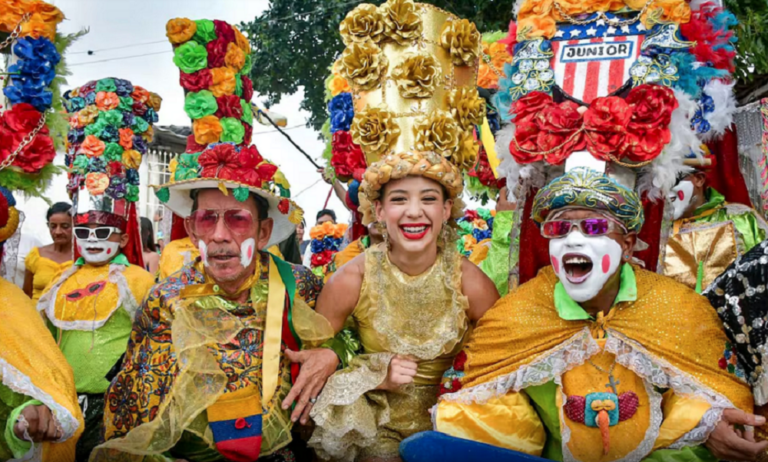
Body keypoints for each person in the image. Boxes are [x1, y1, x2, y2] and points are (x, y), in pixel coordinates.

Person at [95, 17, 337, 462]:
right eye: (208, 219)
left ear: (265, 231)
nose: (221, 237)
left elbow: (352, 350)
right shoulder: (166, 299)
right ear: (191, 229)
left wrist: (332, 358)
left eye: (238, 220)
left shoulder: (304, 287)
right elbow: (132, 408)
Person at [413, 167, 766, 462]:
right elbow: (475, 399)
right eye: (559, 229)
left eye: (595, 228)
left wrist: (704, 420)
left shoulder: (677, 306)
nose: (573, 241)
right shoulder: (518, 312)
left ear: (627, 245)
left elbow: (714, 387)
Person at [305, 3, 498, 460]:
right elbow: (313, 366)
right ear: (378, 211)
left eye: (429, 199)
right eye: (399, 199)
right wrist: (373, 372)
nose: (415, 212)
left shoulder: (468, 279)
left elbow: (501, 359)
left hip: (454, 431)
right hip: (371, 432)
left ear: (448, 209)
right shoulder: (351, 278)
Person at [37, 77, 160, 460]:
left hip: (118, 405)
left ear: (123, 238)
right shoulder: (60, 279)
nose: (92, 238)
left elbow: (156, 344)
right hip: (64, 402)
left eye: (104, 231)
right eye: (84, 230)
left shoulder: (137, 280)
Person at [664, 157, 768, 292]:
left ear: (699, 179)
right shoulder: (657, 232)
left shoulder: (740, 219)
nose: (666, 193)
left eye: (672, 181)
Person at [23, 202, 74, 303]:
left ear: (75, 225)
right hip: (36, 317)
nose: (58, 232)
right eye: (53, 226)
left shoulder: (83, 258)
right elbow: (26, 295)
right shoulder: (36, 256)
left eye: (65, 226)